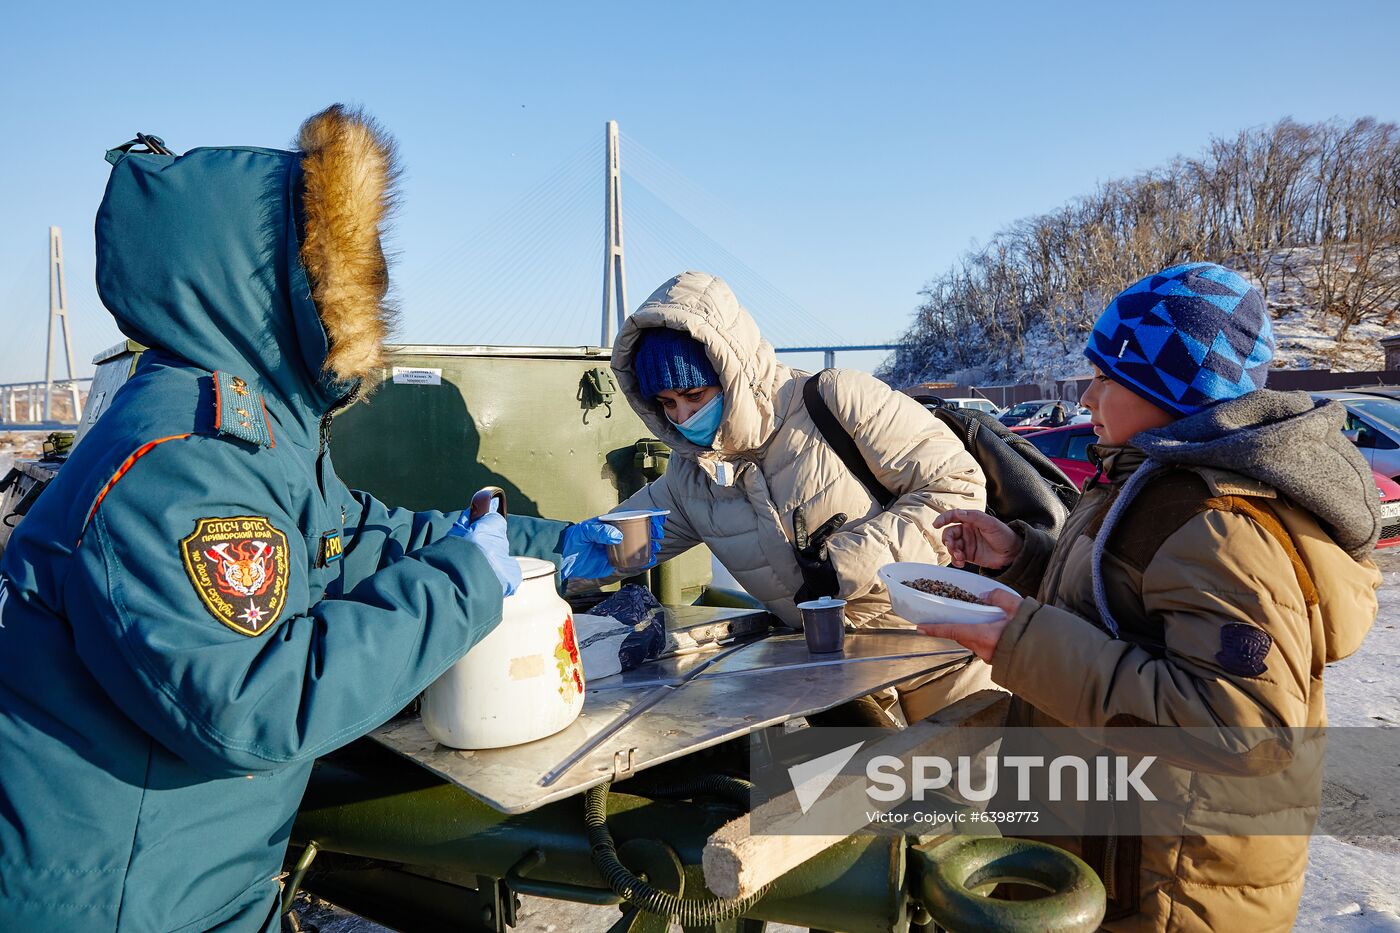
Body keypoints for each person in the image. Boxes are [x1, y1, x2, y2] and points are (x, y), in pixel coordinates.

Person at [0, 106, 641, 933]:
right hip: (126, 903)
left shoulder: (256, 441)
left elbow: (367, 540)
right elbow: (253, 703)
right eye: (345, 269)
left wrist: (552, 550)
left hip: (190, 877)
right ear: (277, 285)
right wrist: (463, 584)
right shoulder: (179, 465)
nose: (368, 292)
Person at [925, 262, 1382, 931]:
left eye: (1107, 375)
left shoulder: (1223, 521)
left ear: (1172, 388)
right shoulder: (1152, 479)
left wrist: (1021, 640)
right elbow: (1130, 609)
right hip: (1119, 854)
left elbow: (1242, 728)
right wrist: (1024, 560)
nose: (1087, 396)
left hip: (1167, 890)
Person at [591, 270, 995, 722]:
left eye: (693, 394)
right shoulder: (690, 477)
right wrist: (539, 566)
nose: (683, 417)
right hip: (836, 680)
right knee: (862, 791)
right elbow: (611, 544)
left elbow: (955, 485)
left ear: (733, 373)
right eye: (666, 403)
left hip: (935, 647)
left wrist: (845, 566)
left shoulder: (836, 400)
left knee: (972, 784)